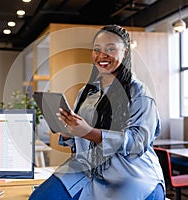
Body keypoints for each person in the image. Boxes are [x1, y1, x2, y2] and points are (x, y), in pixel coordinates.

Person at [29, 25, 165, 200]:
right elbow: (81, 140)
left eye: (111, 49)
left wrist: (90, 133)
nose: (102, 55)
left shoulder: (139, 92)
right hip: (86, 168)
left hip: (129, 173)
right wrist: (70, 132)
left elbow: (138, 143)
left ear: (125, 53)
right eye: (97, 49)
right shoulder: (87, 92)